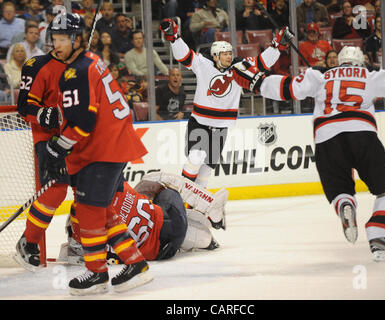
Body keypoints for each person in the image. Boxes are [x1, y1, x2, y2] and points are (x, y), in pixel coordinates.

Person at [231, 46, 385, 262]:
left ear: (339, 61)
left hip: (326, 138)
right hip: (361, 134)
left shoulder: (319, 77)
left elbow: (286, 89)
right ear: (360, 61)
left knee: (340, 190)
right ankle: (378, 236)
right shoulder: (371, 76)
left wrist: (254, 79)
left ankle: (344, 204)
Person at [39, 13, 153, 295]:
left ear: (77, 39)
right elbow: (86, 110)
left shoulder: (74, 72)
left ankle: (96, 272)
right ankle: (134, 262)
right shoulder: (91, 61)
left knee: (89, 211)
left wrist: (55, 148)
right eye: (54, 39)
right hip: (111, 144)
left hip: (101, 149)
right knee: (102, 210)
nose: (57, 44)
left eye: (63, 39)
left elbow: (82, 124)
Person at [160, 18, 290, 214]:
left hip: (222, 125)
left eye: (230, 53)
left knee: (208, 167)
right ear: (215, 55)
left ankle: (195, 205)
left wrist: (277, 46)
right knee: (195, 158)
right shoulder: (203, 64)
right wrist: (174, 37)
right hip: (201, 121)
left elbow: (262, 62)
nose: (229, 56)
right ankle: (179, 199)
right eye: (225, 54)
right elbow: (184, 56)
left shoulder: (239, 67)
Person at [58, 172, 227, 265]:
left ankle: (209, 223)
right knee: (157, 178)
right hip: (169, 223)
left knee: (202, 236)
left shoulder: (87, 221)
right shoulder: (114, 183)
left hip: (163, 245)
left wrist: (69, 250)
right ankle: (210, 208)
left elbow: (78, 252)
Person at [13, 18, 70, 273]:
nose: (62, 42)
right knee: (56, 190)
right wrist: (42, 114)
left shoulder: (83, 65)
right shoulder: (37, 65)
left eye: (67, 36)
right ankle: (29, 241)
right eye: (57, 37)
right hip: (48, 138)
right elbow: (24, 105)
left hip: (78, 135)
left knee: (91, 189)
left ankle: (79, 243)